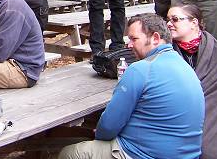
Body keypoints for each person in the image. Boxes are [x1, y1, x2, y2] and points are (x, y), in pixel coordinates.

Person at [59, 13, 204, 159]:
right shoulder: (186, 68)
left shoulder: (141, 69)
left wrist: (101, 137)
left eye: (134, 39)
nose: (129, 45)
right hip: (188, 155)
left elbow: (108, 126)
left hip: (143, 154)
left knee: (71, 153)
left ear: (155, 38)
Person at [167, 3, 217, 159]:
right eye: (168, 20)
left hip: (212, 115)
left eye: (175, 19)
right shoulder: (164, 52)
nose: (169, 24)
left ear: (194, 23)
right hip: (175, 117)